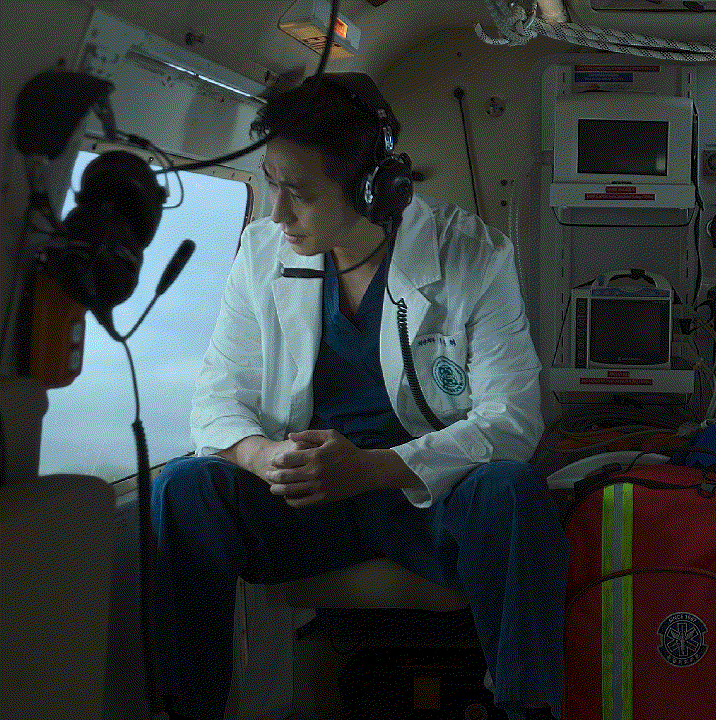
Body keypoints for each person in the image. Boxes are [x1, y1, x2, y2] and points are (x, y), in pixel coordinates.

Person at [152, 72, 568, 720]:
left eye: (299, 193)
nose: (276, 213)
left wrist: (369, 468)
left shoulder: (473, 256)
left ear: (373, 188)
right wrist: (264, 457)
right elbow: (217, 398)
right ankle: (187, 710)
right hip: (308, 503)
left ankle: (526, 708)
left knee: (512, 492)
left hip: (425, 500)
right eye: (269, 182)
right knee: (183, 487)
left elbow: (512, 419)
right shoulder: (262, 253)